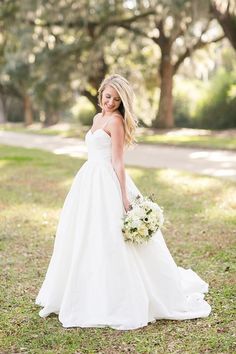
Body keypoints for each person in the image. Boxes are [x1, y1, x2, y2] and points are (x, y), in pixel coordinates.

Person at [35, 74, 211, 330]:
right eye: (108, 97)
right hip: (88, 180)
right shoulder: (97, 119)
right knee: (85, 235)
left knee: (111, 237)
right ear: (101, 94)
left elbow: (118, 161)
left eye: (117, 100)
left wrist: (124, 197)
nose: (111, 103)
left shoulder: (116, 122)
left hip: (107, 181)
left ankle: (117, 296)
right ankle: (83, 289)